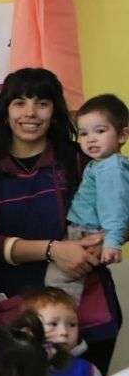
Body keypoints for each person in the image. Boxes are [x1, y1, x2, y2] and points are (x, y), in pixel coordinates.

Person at [0, 68, 122, 374]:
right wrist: (54, 250)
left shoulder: (79, 161)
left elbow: (120, 211)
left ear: (55, 112)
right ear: (4, 112)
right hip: (13, 306)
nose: (30, 113)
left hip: (85, 308)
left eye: (42, 103)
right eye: (19, 102)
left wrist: (97, 244)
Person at [45, 93, 129, 303]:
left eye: (100, 131)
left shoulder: (110, 168)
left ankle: (60, 329)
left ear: (122, 135)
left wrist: (111, 242)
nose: (90, 138)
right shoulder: (104, 164)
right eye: (83, 133)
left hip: (87, 231)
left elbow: (115, 207)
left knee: (58, 289)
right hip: (87, 230)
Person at [24, 287, 103, 376]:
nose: (64, 332)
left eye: (72, 325)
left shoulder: (88, 372)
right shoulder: (16, 368)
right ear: (29, 329)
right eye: (53, 324)